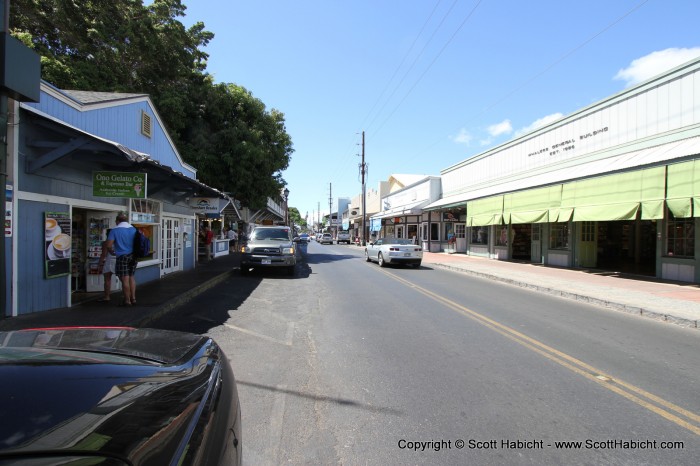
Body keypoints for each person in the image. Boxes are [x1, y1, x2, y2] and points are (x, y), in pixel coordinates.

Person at [104, 212, 137, 306]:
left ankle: (127, 300)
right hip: (133, 256)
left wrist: (111, 252)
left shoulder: (114, 230)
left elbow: (109, 245)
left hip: (122, 256)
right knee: (131, 277)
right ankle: (133, 298)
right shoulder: (133, 229)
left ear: (117, 221)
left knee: (125, 279)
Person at [96, 229, 116, 302]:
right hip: (119, 259)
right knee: (123, 279)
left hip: (110, 261)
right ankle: (128, 296)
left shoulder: (106, 243)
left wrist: (100, 263)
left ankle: (107, 296)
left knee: (107, 279)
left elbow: (104, 254)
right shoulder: (118, 242)